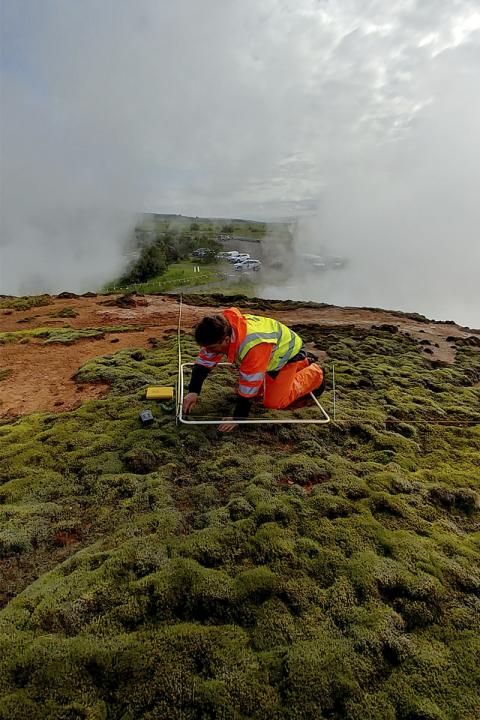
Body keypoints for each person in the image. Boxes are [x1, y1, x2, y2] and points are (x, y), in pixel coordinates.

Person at [183, 306, 325, 432]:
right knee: (256, 394)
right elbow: (203, 363)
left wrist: (238, 417)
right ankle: (303, 365)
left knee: (274, 402)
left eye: (212, 348)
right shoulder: (220, 330)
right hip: (270, 356)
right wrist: (193, 391)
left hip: (287, 356)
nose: (208, 351)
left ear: (225, 340)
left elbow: (248, 386)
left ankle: (315, 374)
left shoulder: (252, 346)